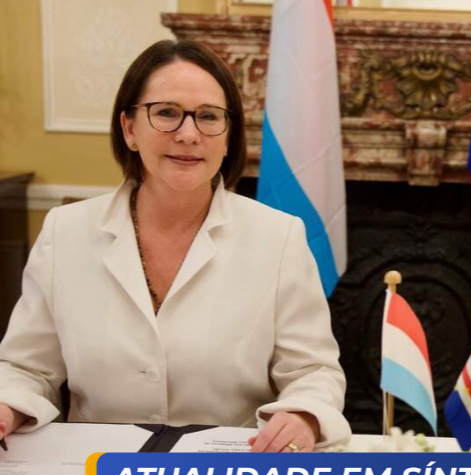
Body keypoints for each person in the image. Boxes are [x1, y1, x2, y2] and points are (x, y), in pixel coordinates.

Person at [0, 40, 350, 453]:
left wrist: (304, 415)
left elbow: (312, 373)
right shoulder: (66, 232)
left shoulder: (279, 236)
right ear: (130, 129)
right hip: (96, 470)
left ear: (228, 136)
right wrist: (7, 406)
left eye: (208, 116)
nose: (188, 134)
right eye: (166, 113)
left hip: (226, 472)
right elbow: (26, 368)